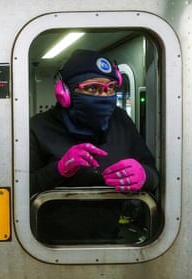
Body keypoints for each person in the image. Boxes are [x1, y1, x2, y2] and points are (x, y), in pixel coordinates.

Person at [30, 49, 159, 197]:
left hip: (118, 218)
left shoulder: (120, 120)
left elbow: (153, 174)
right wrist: (58, 170)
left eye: (110, 87)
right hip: (56, 219)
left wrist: (145, 176)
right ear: (65, 94)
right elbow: (23, 188)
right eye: (92, 88)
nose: (104, 95)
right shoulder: (38, 128)